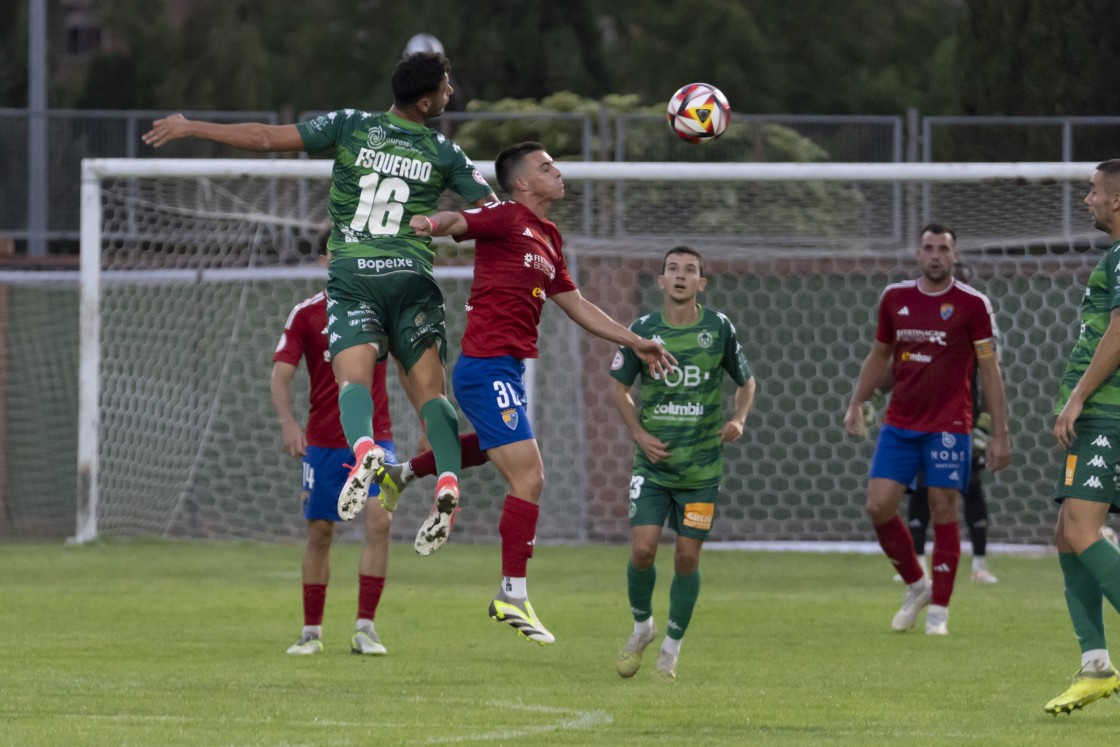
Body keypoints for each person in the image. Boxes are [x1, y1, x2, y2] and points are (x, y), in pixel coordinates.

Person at [143, 51, 498, 551]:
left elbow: (267, 140)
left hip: (355, 276)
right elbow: (493, 214)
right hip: (410, 278)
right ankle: (447, 482)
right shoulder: (446, 153)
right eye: (446, 87)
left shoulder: (350, 125)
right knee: (431, 396)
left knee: (351, 378)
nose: (451, 92)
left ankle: (367, 449)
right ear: (425, 101)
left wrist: (190, 125)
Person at [408, 141, 673, 645]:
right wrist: (430, 224)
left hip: (506, 368)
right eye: (546, 167)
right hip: (484, 366)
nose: (558, 172)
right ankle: (511, 594)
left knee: (493, 452)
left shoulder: (549, 236)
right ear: (524, 183)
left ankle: (400, 474)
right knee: (530, 475)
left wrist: (635, 340)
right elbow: (459, 223)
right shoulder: (505, 215)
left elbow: (578, 306)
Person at [843, 224, 1011, 637]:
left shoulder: (973, 305)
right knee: (878, 506)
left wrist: (1002, 433)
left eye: (943, 249)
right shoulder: (895, 299)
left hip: (950, 426)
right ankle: (918, 585)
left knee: (942, 509)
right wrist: (856, 402)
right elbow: (879, 354)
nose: (935, 255)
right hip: (900, 423)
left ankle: (939, 611)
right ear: (918, 254)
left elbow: (989, 371)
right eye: (928, 247)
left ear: (954, 256)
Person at [608, 246, 756, 681]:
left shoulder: (718, 328)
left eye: (690, 270)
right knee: (642, 550)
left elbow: (746, 383)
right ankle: (642, 627)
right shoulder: (642, 331)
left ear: (701, 283)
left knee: (687, 558)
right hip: (652, 467)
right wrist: (638, 435)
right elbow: (618, 389)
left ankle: (671, 647)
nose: (680, 275)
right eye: (672, 268)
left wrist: (739, 419)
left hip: (701, 470)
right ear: (661, 280)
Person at [271, 232, 396, 656]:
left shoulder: (382, 310)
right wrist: (288, 423)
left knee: (381, 521)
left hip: (377, 436)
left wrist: (426, 415)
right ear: (325, 259)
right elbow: (281, 373)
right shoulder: (306, 315)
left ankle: (366, 628)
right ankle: (311, 631)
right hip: (325, 441)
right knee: (321, 533)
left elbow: (414, 363)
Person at [1045, 158, 1120, 715]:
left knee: (1080, 526)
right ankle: (1095, 665)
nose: (1086, 199)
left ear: (1116, 200)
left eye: (1093, 191)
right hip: (1101, 414)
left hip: (1108, 413)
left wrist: (1076, 399)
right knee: (1067, 533)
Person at [897, 262, 1000, 584]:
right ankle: (916, 565)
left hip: (961, 421)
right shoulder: (921, 326)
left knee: (970, 487)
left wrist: (986, 426)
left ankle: (979, 566)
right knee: (920, 489)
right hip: (923, 420)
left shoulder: (980, 331)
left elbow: (990, 379)